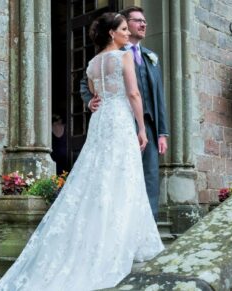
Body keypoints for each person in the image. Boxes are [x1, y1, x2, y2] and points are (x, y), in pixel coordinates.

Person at [0, 12, 164, 291]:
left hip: (101, 121)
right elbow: (133, 94)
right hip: (119, 120)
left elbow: (96, 95)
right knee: (122, 177)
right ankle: (118, 241)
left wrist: (97, 103)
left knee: (98, 177)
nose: (127, 34)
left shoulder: (92, 64)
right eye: (123, 29)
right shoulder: (124, 57)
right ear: (112, 33)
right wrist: (142, 130)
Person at [81, 6, 169, 221]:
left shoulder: (150, 57)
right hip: (120, 119)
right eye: (137, 21)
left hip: (145, 121)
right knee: (115, 172)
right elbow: (88, 85)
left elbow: (158, 95)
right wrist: (89, 101)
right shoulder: (117, 56)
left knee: (147, 175)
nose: (143, 24)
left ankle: (148, 222)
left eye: (144, 21)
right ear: (123, 25)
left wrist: (162, 132)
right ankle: (118, 222)